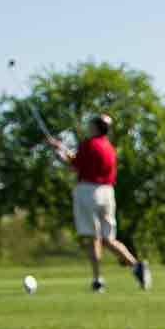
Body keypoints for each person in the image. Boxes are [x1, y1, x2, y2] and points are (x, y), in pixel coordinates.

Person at [46, 115, 151, 292]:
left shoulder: (89, 144)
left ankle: (97, 280)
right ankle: (136, 265)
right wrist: (62, 147)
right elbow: (80, 160)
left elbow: (74, 166)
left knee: (93, 237)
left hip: (88, 192)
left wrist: (58, 153)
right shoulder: (108, 147)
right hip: (107, 193)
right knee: (108, 239)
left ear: (96, 127)